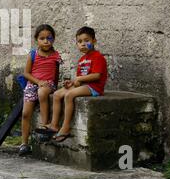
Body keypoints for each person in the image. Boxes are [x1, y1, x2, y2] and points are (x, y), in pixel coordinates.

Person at [36, 26, 107, 142]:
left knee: (69, 95)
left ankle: (66, 128)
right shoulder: (82, 60)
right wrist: (72, 83)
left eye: (87, 41)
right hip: (84, 85)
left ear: (94, 41)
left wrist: (78, 80)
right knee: (57, 94)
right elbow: (80, 80)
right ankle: (54, 125)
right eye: (79, 42)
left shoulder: (97, 57)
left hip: (94, 87)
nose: (83, 44)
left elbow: (96, 76)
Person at [19, 24, 61, 156]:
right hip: (33, 84)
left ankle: (45, 125)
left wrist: (52, 86)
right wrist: (38, 82)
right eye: (42, 38)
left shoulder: (56, 55)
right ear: (36, 39)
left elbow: (56, 74)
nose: (46, 41)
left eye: (49, 38)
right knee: (26, 113)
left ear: (53, 39)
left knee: (42, 92)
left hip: (48, 85)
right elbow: (26, 73)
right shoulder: (33, 54)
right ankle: (24, 144)